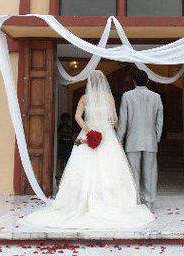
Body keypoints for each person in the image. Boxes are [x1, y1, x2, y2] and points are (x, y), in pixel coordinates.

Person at [22, 70, 153, 229]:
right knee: (110, 168)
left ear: (89, 82)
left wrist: (88, 130)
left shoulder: (85, 98)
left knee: (81, 167)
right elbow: (114, 119)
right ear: (103, 82)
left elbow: (77, 117)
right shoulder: (109, 97)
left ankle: (78, 202)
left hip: (87, 133)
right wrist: (111, 129)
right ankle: (112, 202)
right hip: (107, 136)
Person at [116, 68, 163, 210]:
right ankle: (149, 202)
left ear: (134, 81)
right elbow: (159, 120)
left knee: (134, 172)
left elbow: (123, 120)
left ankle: (136, 201)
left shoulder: (127, 96)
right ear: (147, 80)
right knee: (150, 172)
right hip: (150, 140)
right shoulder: (156, 96)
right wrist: (157, 137)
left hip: (132, 140)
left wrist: (119, 139)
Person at [56, 113, 74, 177]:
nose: (66, 120)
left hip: (68, 144)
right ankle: (62, 173)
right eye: (65, 119)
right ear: (62, 120)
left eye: (67, 119)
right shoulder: (60, 127)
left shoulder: (70, 127)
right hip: (62, 144)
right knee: (62, 160)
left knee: (67, 159)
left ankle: (67, 174)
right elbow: (59, 134)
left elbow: (72, 135)